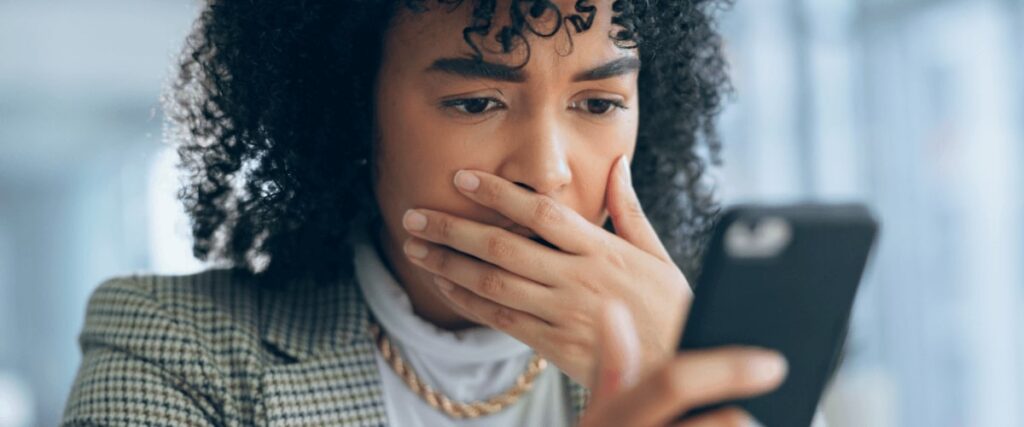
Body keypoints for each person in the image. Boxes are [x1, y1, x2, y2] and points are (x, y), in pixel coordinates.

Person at [61, 1, 804, 425]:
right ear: (354, 114)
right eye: (477, 102)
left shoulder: (713, 337)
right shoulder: (168, 350)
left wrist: (713, 381)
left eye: (600, 103)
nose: (547, 170)